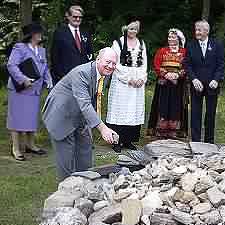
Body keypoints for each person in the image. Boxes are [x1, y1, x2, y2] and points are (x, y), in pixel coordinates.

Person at [42, 47, 118, 181]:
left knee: (85, 155)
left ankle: (85, 188)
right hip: (61, 115)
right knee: (66, 163)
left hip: (79, 115)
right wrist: (103, 128)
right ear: (98, 59)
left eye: (114, 63)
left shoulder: (105, 74)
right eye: (107, 62)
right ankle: (65, 196)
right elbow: (85, 104)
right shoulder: (81, 73)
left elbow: (93, 99)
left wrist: (91, 124)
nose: (110, 66)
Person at [6, 23, 52, 161]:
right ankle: (16, 148)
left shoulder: (42, 50)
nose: (40, 35)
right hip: (20, 89)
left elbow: (44, 68)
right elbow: (11, 65)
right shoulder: (20, 48)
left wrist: (49, 80)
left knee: (31, 118)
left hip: (34, 90)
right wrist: (23, 79)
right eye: (38, 32)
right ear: (32, 35)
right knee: (16, 119)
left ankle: (30, 145)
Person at [106, 20, 147, 152]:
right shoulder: (117, 43)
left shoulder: (141, 44)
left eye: (135, 29)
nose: (133, 31)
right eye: (130, 29)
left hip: (137, 85)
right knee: (120, 112)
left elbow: (144, 62)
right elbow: (115, 64)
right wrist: (128, 79)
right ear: (125, 29)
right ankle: (117, 142)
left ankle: (128, 141)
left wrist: (141, 78)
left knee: (133, 112)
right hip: (121, 84)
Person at [184, 20, 224, 143]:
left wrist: (216, 80)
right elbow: (187, 64)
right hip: (196, 85)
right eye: (196, 30)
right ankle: (195, 141)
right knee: (195, 113)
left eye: (199, 30)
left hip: (212, 85)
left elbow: (220, 65)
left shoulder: (217, 45)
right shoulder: (190, 45)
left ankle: (209, 142)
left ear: (206, 31)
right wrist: (194, 79)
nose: (197, 32)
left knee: (210, 114)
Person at [147, 28, 188, 138]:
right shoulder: (162, 51)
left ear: (178, 38)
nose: (170, 39)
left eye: (173, 37)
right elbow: (156, 64)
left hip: (178, 85)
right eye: (169, 37)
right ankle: (161, 130)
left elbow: (187, 65)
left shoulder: (184, 52)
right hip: (164, 83)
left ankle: (175, 130)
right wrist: (166, 74)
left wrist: (178, 74)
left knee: (176, 105)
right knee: (163, 105)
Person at [51, 5, 93, 85]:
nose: (78, 19)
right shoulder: (60, 33)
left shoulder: (86, 33)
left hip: (83, 77)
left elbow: (90, 54)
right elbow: (55, 57)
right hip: (65, 77)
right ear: (69, 17)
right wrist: (61, 76)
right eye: (75, 17)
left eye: (80, 17)